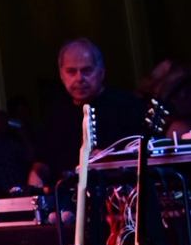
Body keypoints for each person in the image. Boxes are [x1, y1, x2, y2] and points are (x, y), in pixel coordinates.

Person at [29, 38, 144, 187]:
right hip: (69, 201)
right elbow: (43, 161)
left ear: (101, 72)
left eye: (87, 71)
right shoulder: (55, 113)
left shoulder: (127, 105)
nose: (79, 78)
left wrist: (107, 159)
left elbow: (140, 154)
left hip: (118, 194)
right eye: (71, 72)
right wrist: (36, 174)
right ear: (61, 75)